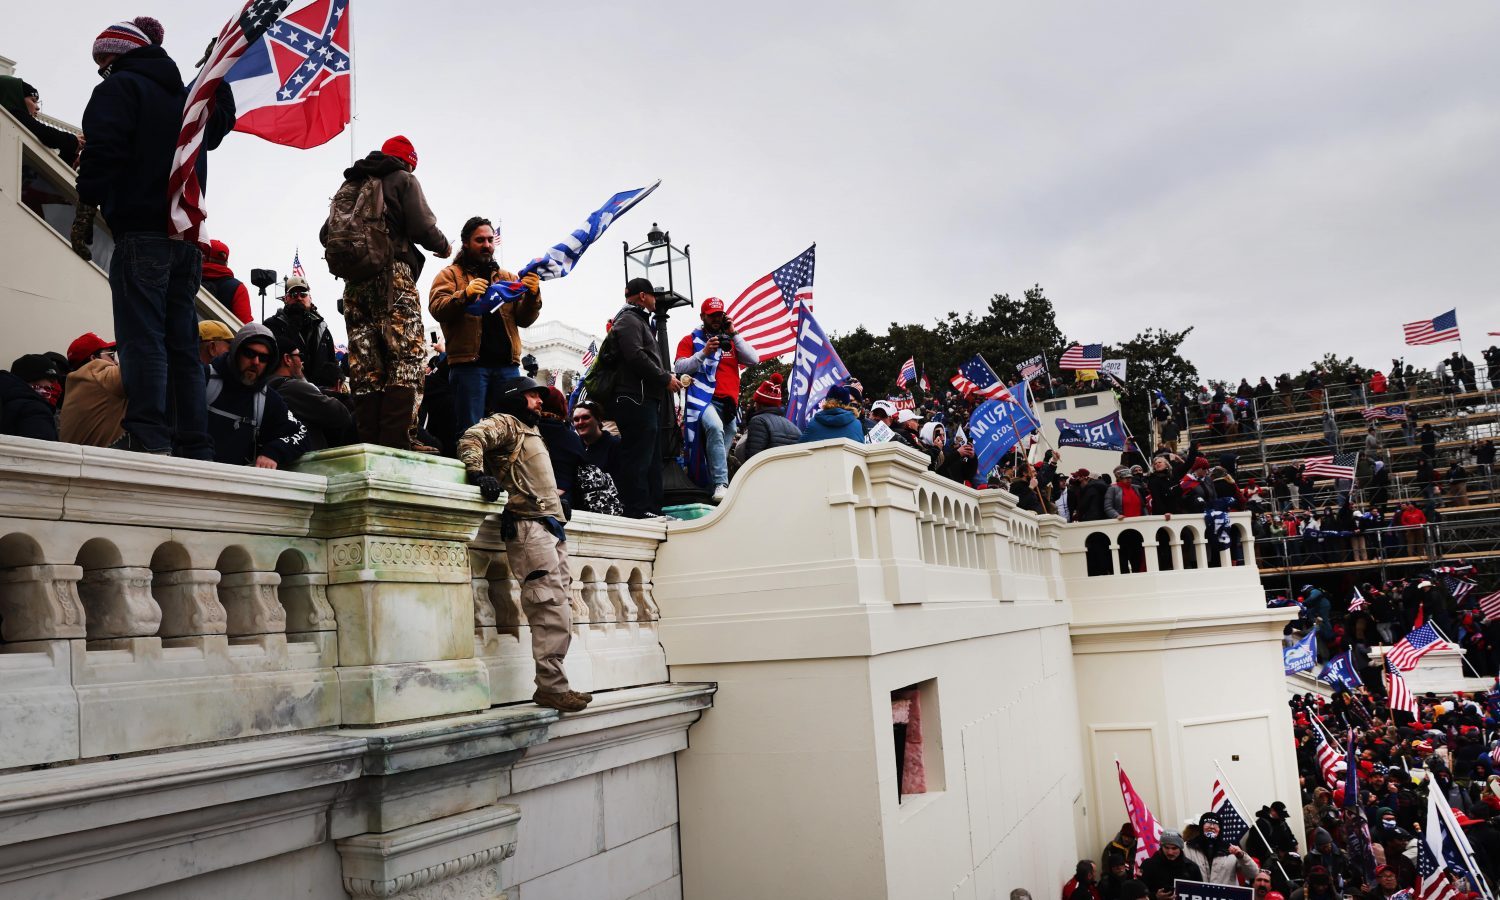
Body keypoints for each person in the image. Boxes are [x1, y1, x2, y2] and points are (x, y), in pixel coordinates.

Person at [75, 16, 236, 458]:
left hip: (141, 232)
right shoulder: (187, 98)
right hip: (185, 241)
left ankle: (148, 432)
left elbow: (104, 151)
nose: (101, 69)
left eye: (103, 59)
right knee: (182, 344)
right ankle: (193, 441)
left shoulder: (117, 91)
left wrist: (88, 194)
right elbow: (220, 125)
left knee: (141, 338)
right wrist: (216, 75)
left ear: (120, 54)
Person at [458, 376, 593, 712]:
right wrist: (478, 474)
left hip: (548, 525)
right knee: (548, 606)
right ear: (514, 398)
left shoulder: (530, 430)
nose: (539, 402)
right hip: (529, 528)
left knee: (560, 607)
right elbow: (471, 439)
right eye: (532, 396)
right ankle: (552, 688)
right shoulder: (507, 423)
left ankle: (555, 685)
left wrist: (557, 506)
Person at [322, 135, 451, 451]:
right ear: (408, 160)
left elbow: (325, 233)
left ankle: (370, 440)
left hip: (353, 284)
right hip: (393, 276)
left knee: (366, 361)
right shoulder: (402, 178)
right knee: (406, 354)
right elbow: (422, 226)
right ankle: (398, 439)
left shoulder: (350, 186)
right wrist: (444, 246)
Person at [428, 216, 542, 442]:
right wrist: (465, 295)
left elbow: (525, 319)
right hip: (470, 366)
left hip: (506, 367)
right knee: (472, 431)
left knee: (510, 431)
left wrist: (532, 295)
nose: (487, 245)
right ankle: (475, 475)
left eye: (490, 240)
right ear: (466, 243)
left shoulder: (507, 277)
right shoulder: (450, 275)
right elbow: (437, 308)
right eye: (480, 240)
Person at [599, 278, 682, 519]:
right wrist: (664, 378)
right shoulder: (628, 319)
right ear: (643, 296)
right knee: (639, 457)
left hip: (643, 397)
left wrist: (664, 377)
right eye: (654, 296)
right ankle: (637, 510)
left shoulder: (636, 320)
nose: (657, 300)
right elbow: (635, 355)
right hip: (634, 398)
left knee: (651, 457)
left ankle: (651, 509)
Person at [674, 297, 761, 500]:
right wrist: (704, 352)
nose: (716, 319)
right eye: (712, 315)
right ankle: (722, 484)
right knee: (714, 428)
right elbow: (679, 367)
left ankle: (711, 486)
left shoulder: (730, 341)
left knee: (720, 445)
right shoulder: (690, 340)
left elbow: (754, 359)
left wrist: (734, 333)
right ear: (702, 316)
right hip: (703, 399)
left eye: (719, 315)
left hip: (729, 404)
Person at [205, 324, 308, 469]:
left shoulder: (267, 399)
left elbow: (301, 433)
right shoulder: (204, 379)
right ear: (236, 352)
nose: (256, 362)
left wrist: (273, 451)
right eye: (249, 353)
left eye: (264, 358)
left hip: (235, 484)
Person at [266, 333, 354, 452]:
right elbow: (341, 414)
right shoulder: (293, 387)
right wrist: (305, 382)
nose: (302, 361)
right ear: (287, 359)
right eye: (299, 355)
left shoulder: (265, 386)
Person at [265, 276, 340, 389]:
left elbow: (332, 363)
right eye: (294, 295)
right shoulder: (273, 325)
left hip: (321, 395)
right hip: (288, 392)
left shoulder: (323, 329)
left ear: (310, 298)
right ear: (286, 299)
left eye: (303, 294)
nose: (299, 298)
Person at [59, 332, 125, 447]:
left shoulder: (77, 385)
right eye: (111, 355)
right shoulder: (96, 373)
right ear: (94, 359)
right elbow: (140, 368)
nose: (116, 362)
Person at [0, 75, 81, 166]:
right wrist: (72, 140)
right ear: (14, 97)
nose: (38, 107)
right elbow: (44, 132)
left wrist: (73, 150)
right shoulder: (15, 115)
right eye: (33, 100)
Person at [1181, 812, 1258, 885]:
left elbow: (1253, 873)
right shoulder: (1187, 847)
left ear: (1220, 829)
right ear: (1201, 827)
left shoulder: (1231, 850)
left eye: (1215, 824)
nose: (1211, 827)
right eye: (1208, 823)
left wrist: (1242, 856)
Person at [739, 375, 801, 464]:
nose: (754, 405)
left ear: (759, 403)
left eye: (755, 402)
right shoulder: (792, 425)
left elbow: (753, 459)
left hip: (767, 474)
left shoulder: (758, 421)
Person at [0, 360, 60, 440]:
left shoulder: (7, 402)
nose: (56, 387)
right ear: (31, 381)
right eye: (51, 381)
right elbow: (41, 450)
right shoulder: (35, 410)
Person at [200, 239, 253, 324]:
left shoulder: (187, 279)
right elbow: (245, 326)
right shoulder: (238, 287)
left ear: (203, 257)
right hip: (226, 337)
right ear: (226, 262)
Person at [1139, 831, 1202, 899]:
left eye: (1174, 848)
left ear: (1180, 848)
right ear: (1161, 847)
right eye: (1166, 848)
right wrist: (1155, 897)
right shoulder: (1148, 865)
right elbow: (1137, 893)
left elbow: (1200, 894)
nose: (1170, 852)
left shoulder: (1191, 868)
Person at [800, 384, 868, 445]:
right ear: (847, 404)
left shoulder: (813, 422)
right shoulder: (857, 424)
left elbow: (799, 447)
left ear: (826, 402)